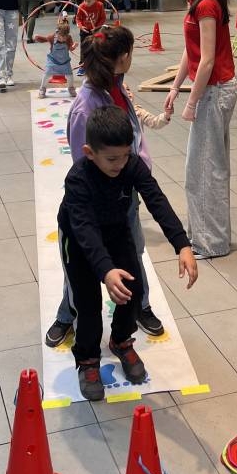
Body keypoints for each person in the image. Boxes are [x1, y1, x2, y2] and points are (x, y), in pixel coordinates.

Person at [57, 105, 197, 401]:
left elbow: (156, 199)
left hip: (115, 230)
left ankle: (121, 340)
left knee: (133, 288)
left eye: (125, 155)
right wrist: (106, 270)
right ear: (89, 152)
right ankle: (87, 359)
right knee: (87, 303)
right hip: (79, 242)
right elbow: (84, 229)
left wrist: (182, 244)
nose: (120, 164)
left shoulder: (130, 164)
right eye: (111, 159)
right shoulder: (78, 178)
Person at [46, 26, 168, 347]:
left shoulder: (117, 86)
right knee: (83, 261)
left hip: (125, 193)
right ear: (123, 57)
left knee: (133, 252)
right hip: (96, 200)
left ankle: (139, 306)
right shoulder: (86, 107)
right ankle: (67, 314)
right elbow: (82, 162)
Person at [164, 0, 237, 259]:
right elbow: (191, 50)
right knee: (201, 167)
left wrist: (192, 101)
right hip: (212, 89)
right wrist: (175, 87)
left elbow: (207, 61)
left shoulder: (207, 3)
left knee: (206, 169)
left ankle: (211, 242)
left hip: (214, 91)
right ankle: (204, 235)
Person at [39, 17, 77, 98]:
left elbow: (71, 48)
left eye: (64, 37)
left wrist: (74, 46)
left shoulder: (69, 38)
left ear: (67, 35)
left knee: (70, 75)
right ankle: (42, 88)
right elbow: (44, 39)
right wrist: (37, 38)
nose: (62, 39)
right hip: (52, 61)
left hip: (65, 61)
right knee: (47, 74)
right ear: (57, 33)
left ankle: (71, 88)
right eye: (60, 37)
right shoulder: (52, 37)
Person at [75, 0, 106, 70]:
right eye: (84, 0)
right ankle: (82, 65)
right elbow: (78, 18)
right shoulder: (81, 6)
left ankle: (96, 64)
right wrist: (81, 26)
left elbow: (102, 18)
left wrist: (97, 27)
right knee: (84, 47)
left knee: (96, 47)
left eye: (89, 1)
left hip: (96, 30)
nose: (86, 3)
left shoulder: (100, 5)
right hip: (84, 30)